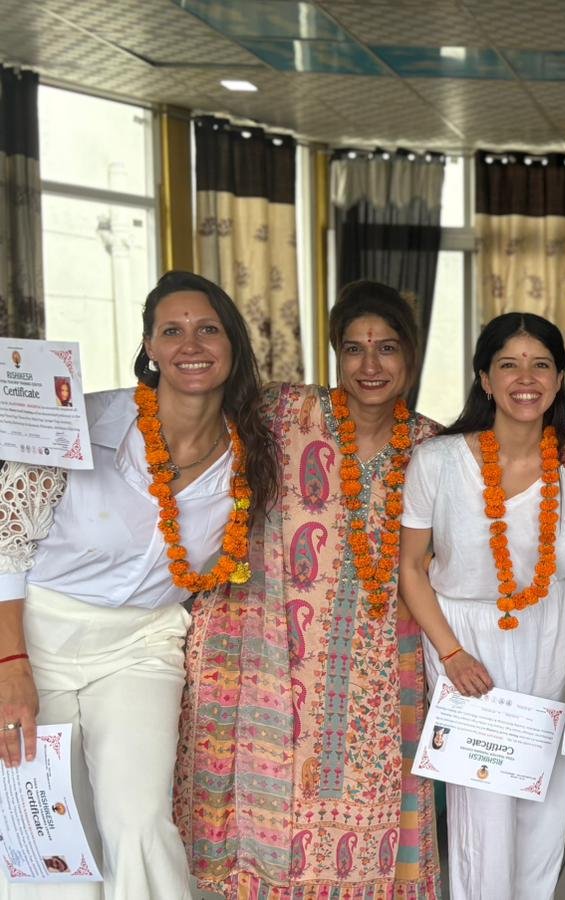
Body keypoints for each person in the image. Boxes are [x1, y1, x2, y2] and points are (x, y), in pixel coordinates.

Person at [0, 270, 277, 899]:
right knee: (53, 823)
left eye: (207, 329)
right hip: (36, 634)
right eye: (172, 331)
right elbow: (5, 542)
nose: (191, 345)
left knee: (139, 819)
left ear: (232, 343)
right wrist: (10, 666)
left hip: (142, 645)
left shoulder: (251, 451)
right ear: (149, 346)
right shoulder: (80, 420)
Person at [174, 280, 443, 897]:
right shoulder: (282, 412)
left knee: (375, 809)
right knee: (270, 814)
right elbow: (190, 410)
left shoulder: (432, 445)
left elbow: (509, 454)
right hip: (267, 657)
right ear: (335, 355)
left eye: (387, 348)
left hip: (377, 667)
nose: (370, 365)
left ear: (410, 355)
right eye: (354, 348)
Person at [397, 312, 565, 900]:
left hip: (545, 632)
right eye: (508, 364)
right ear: (485, 379)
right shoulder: (438, 461)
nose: (525, 378)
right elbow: (411, 568)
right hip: (463, 638)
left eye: (541, 365)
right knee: (482, 809)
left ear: (559, 379)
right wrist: (451, 654)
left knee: (541, 796)